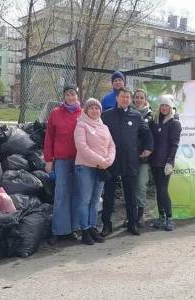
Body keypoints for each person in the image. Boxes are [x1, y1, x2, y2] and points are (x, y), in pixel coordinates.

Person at [100, 87, 154, 236]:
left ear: (129, 100)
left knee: (130, 195)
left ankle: (132, 224)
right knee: (109, 195)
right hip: (111, 161)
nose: (125, 99)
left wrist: (149, 148)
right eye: (122, 97)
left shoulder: (136, 116)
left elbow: (146, 133)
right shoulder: (106, 116)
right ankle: (106, 225)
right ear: (117, 98)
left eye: (127, 98)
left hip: (130, 160)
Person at [73, 98, 115, 245]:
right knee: (85, 200)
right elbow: (82, 148)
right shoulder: (81, 125)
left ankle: (92, 228)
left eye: (97, 108)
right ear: (86, 110)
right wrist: (101, 161)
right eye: (91, 108)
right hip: (85, 167)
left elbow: (111, 146)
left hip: (101, 168)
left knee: (96, 200)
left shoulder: (104, 127)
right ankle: (85, 230)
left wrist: (108, 161)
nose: (94, 110)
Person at [44, 84, 81, 244]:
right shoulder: (56, 113)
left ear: (77, 96)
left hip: (80, 160)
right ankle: (59, 231)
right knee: (61, 195)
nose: (70, 97)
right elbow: (49, 137)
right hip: (61, 160)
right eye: (67, 95)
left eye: (73, 94)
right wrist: (48, 159)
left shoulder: (84, 113)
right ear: (64, 97)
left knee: (77, 194)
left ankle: (74, 229)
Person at [149, 95, 182, 231]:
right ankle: (161, 217)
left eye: (167, 105)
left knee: (163, 190)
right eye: (162, 105)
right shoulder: (155, 121)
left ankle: (169, 218)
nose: (164, 108)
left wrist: (170, 162)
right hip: (154, 161)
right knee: (158, 190)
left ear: (170, 107)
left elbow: (174, 144)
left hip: (165, 163)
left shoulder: (174, 123)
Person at [126, 89, 153, 228]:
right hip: (129, 157)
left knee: (141, 185)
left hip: (143, 158)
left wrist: (149, 149)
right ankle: (130, 214)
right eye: (136, 97)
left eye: (141, 97)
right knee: (129, 186)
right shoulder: (127, 112)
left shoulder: (151, 115)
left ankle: (141, 213)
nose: (138, 99)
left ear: (145, 99)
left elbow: (151, 135)